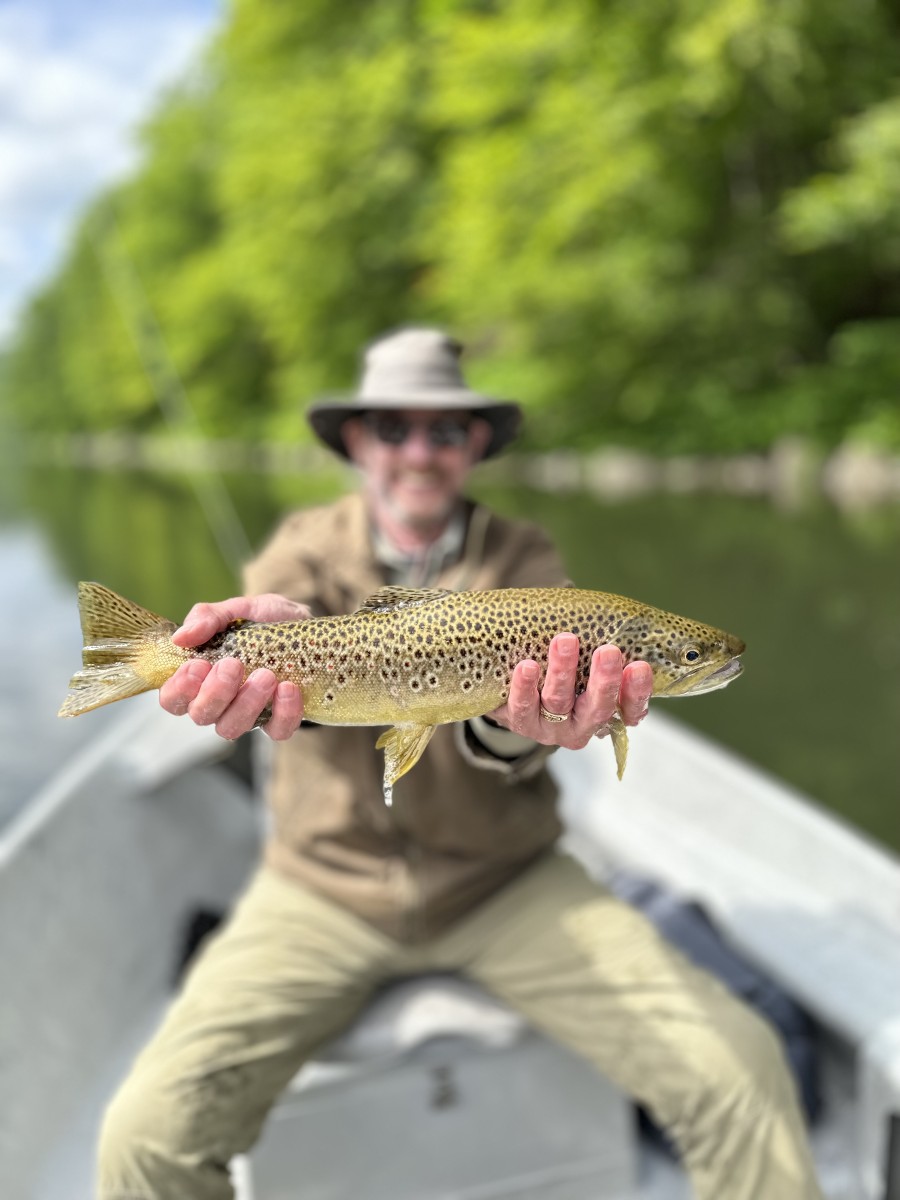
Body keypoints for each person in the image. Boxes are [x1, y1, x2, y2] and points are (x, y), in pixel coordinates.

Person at [97, 329, 823, 1200]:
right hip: (323, 889)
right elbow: (282, 666)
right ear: (358, 441)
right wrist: (231, 654)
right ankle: (128, 656)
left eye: (444, 432)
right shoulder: (300, 552)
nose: (419, 452)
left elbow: (507, 736)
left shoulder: (526, 564)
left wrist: (524, 728)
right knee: (142, 1140)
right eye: (393, 429)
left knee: (742, 1071)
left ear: (474, 445)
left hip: (505, 882)